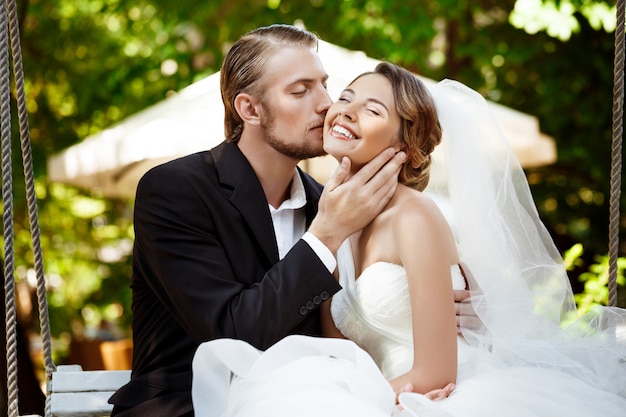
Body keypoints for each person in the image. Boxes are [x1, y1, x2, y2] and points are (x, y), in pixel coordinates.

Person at [191, 62, 626, 417]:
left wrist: (354, 404)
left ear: (408, 144)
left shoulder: (415, 216)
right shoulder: (331, 219)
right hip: (378, 394)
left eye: (373, 110)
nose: (344, 111)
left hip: (439, 396)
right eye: (345, 99)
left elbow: (436, 373)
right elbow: (339, 353)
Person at [109, 24, 465, 417]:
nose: (326, 104)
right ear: (250, 109)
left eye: (324, 85)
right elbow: (231, 336)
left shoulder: (330, 203)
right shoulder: (176, 191)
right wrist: (325, 235)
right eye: (300, 90)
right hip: (188, 406)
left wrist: (451, 308)